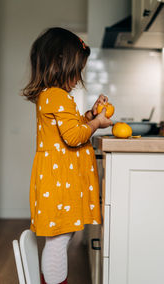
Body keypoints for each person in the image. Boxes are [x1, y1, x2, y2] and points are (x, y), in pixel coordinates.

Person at [20, 27, 113, 284]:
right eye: (77, 70)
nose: (78, 77)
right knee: (59, 239)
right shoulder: (56, 96)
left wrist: (91, 117)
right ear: (61, 65)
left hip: (60, 179)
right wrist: (96, 125)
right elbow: (74, 137)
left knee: (61, 237)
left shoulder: (52, 96)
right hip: (60, 181)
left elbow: (70, 128)